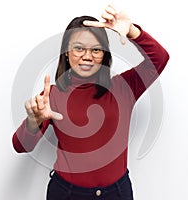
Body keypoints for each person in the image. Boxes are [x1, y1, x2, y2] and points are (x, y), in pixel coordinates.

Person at [12, 5, 169, 200]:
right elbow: (21, 146)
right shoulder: (51, 96)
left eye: (96, 49)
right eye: (78, 48)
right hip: (67, 193)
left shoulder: (123, 87)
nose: (87, 56)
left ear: (104, 54)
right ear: (67, 53)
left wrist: (131, 31)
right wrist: (33, 122)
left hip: (117, 193)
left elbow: (160, 59)